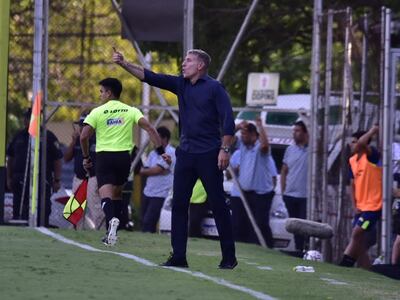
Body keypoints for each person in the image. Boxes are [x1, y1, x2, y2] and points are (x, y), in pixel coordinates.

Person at [113, 48, 237, 269]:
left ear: (200, 65)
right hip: (186, 154)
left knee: (218, 205)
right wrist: (124, 64)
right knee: (179, 204)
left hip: (209, 153)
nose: (184, 64)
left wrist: (224, 150)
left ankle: (229, 257)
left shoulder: (215, 88)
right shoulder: (181, 84)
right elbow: (150, 76)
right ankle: (179, 257)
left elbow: (228, 121)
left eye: (188, 61)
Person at [80, 77, 164, 246]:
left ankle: (111, 222)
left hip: (104, 157)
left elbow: (83, 136)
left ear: (109, 93)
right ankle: (113, 233)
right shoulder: (130, 110)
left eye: (102, 92)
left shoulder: (97, 112)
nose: (100, 95)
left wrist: (86, 157)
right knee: (117, 195)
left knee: (105, 195)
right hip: (124, 158)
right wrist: (161, 152)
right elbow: (150, 128)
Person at [6, 109, 62, 226]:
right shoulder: (19, 136)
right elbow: (10, 158)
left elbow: (57, 159)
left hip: (42, 177)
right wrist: (9, 178)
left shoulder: (48, 136)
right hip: (20, 178)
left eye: (29, 118)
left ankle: (42, 228)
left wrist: (57, 180)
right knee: (19, 208)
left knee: (43, 208)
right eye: (26, 118)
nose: (26, 121)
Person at [339, 125, 382, 269]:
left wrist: (371, 132)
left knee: (357, 233)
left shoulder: (371, 155)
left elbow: (363, 143)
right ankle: (367, 269)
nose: (352, 145)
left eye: (354, 142)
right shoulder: (353, 161)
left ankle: (345, 264)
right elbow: (352, 185)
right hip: (361, 207)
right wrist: (354, 205)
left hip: (373, 206)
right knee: (359, 241)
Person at [230, 119, 275, 247]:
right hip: (247, 193)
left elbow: (265, 146)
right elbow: (227, 137)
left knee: (261, 223)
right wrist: (239, 127)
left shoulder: (260, 148)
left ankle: (268, 247)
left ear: (253, 135)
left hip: (262, 193)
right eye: (242, 134)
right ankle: (245, 247)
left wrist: (260, 126)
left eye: (245, 134)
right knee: (245, 223)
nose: (242, 137)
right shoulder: (243, 147)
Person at [64, 111, 104, 230]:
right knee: (75, 207)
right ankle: (77, 229)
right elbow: (66, 158)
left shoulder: (98, 140)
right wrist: (72, 141)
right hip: (79, 178)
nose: (81, 128)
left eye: (84, 125)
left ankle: (102, 230)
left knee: (94, 206)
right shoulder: (77, 140)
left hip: (93, 177)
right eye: (80, 125)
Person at [140, 126, 176, 233]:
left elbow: (157, 170)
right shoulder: (152, 153)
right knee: (143, 221)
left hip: (160, 194)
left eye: (157, 137)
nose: (154, 140)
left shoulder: (171, 152)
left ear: (164, 139)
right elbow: (145, 170)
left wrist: (154, 170)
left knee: (149, 222)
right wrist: (154, 170)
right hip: (148, 192)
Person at [280, 120, 308, 251]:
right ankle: (298, 249)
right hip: (290, 194)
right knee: (295, 225)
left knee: (305, 225)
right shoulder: (289, 150)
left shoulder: (312, 150)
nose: (294, 133)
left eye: (297, 131)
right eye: (293, 131)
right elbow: (284, 170)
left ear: (305, 133)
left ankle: (305, 248)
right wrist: (283, 190)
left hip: (305, 195)